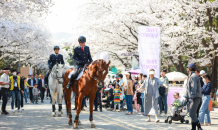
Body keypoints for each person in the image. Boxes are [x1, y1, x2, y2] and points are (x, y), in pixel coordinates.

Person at [185, 63, 203, 130]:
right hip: (194, 97)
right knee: (193, 114)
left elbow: (193, 88)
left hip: (195, 98)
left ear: (189, 69)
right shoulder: (193, 76)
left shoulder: (193, 76)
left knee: (192, 114)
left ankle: (199, 128)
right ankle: (193, 128)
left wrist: (191, 97)